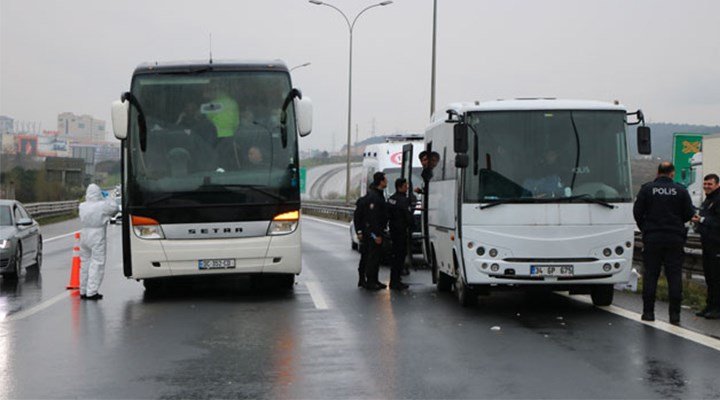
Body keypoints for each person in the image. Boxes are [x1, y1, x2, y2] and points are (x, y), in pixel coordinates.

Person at [633, 162, 695, 325]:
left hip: (653, 238)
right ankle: (675, 316)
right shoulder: (681, 190)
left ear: (658, 172)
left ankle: (648, 313)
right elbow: (689, 213)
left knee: (651, 275)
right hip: (674, 239)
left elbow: (637, 212)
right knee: (674, 276)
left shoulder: (647, 189)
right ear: (672, 174)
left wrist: (646, 229)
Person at [78, 184, 120, 300]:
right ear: (98, 193)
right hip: (97, 234)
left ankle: (83, 289)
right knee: (97, 263)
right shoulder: (102, 205)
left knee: (85, 263)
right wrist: (107, 198)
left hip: (84, 234)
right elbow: (115, 208)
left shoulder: (82, 206)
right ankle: (91, 291)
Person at [692, 173, 720, 319]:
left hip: (717, 245)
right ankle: (709, 306)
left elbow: (717, 223)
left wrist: (701, 219)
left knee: (716, 278)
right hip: (707, 244)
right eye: (705, 184)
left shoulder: (718, 199)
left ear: (717, 185)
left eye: (710, 184)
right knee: (709, 277)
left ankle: (716, 308)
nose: (706, 187)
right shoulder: (708, 200)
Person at [364, 172, 389, 290]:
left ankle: (375, 279)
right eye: (385, 180)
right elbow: (373, 217)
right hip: (375, 232)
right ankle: (370, 281)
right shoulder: (374, 196)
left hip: (380, 230)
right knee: (373, 257)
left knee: (377, 257)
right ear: (381, 181)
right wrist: (376, 234)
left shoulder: (379, 194)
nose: (387, 182)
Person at [387, 178, 413, 290]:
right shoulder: (404, 200)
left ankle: (394, 280)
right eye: (405, 185)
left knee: (394, 257)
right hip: (401, 232)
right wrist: (412, 227)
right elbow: (408, 216)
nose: (407, 187)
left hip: (393, 231)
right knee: (400, 257)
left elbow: (387, 214)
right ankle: (396, 282)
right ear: (400, 187)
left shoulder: (391, 199)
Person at [353, 188, 371, 288]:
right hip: (365, 233)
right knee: (365, 257)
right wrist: (359, 232)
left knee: (367, 257)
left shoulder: (365, 200)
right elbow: (357, 217)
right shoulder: (363, 202)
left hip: (368, 232)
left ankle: (366, 279)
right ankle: (362, 279)